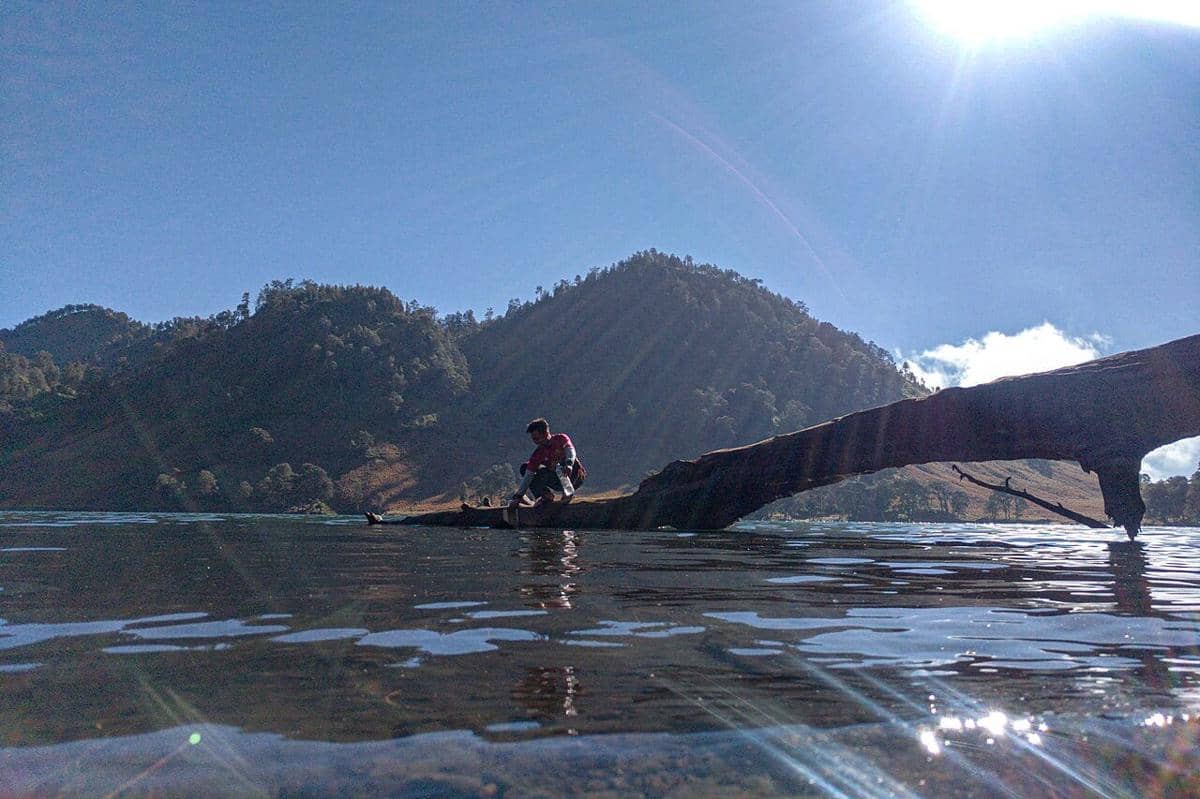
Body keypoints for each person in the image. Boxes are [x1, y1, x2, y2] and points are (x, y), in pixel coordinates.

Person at [510, 418, 582, 508]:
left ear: (546, 434)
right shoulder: (538, 453)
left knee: (560, 465)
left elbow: (570, 450)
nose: (535, 442)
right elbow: (528, 475)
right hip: (557, 480)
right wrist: (518, 496)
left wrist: (569, 464)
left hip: (574, 475)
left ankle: (568, 492)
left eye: (537, 438)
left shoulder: (561, 439)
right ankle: (546, 496)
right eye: (533, 439)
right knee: (525, 467)